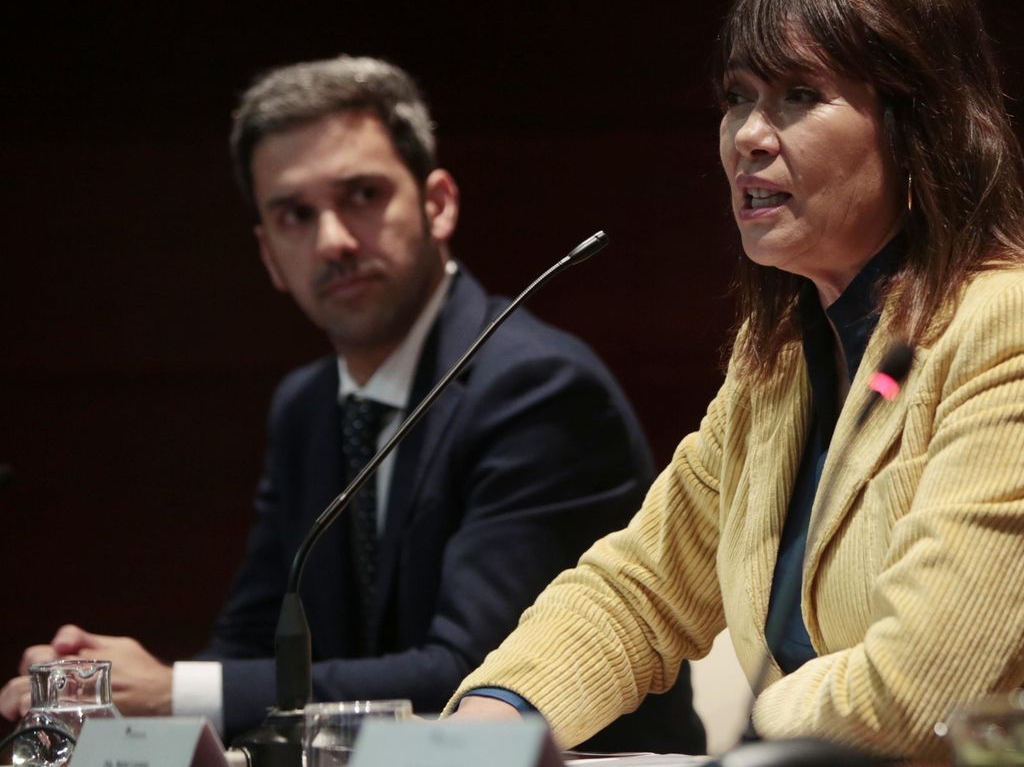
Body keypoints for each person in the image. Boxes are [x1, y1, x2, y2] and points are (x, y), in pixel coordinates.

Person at [444, 0, 1024, 758]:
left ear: (916, 128)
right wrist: (485, 730)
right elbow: (640, 587)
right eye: (738, 96)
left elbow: (920, 694)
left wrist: (741, 745)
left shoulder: (1021, 332)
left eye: (799, 96)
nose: (747, 134)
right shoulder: (776, 357)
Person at [0, 56, 703, 753]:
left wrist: (173, 691)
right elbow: (253, 640)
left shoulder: (537, 387)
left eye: (362, 195)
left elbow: (476, 677)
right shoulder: (305, 407)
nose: (332, 240)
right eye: (295, 215)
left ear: (438, 205)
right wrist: (113, 698)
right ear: (270, 256)